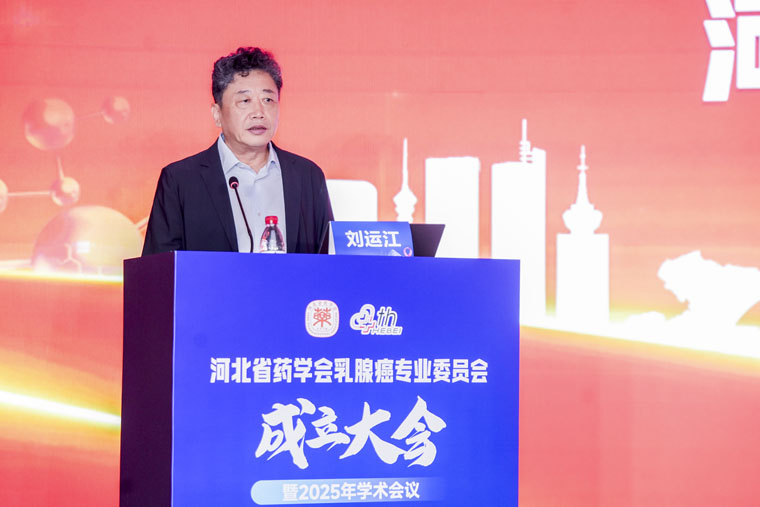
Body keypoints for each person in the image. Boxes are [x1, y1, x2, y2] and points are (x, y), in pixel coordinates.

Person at [142, 47, 333, 256]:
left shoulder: (307, 176)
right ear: (217, 114)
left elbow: (330, 263)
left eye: (268, 100)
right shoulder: (180, 181)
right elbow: (159, 270)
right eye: (245, 101)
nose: (259, 113)